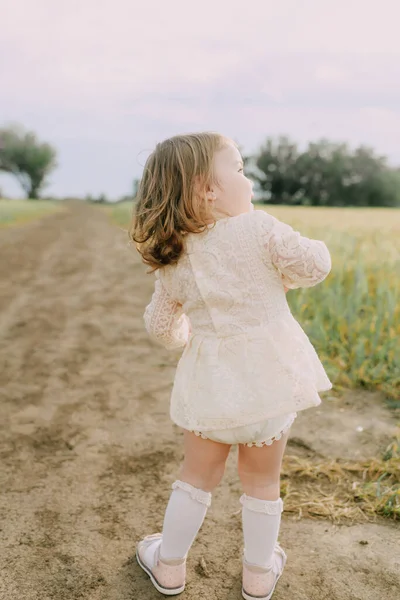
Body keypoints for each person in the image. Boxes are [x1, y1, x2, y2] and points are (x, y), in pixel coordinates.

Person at [129, 132, 332, 599]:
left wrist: (189, 337)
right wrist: (282, 277)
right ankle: (259, 575)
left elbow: (161, 327)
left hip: (211, 385)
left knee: (196, 475)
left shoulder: (174, 256)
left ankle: (170, 565)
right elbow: (314, 264)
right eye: (239, 169)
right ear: (207, 188)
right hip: (270, 380)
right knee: (262, 478)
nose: (250, 180)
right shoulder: (260, 230)